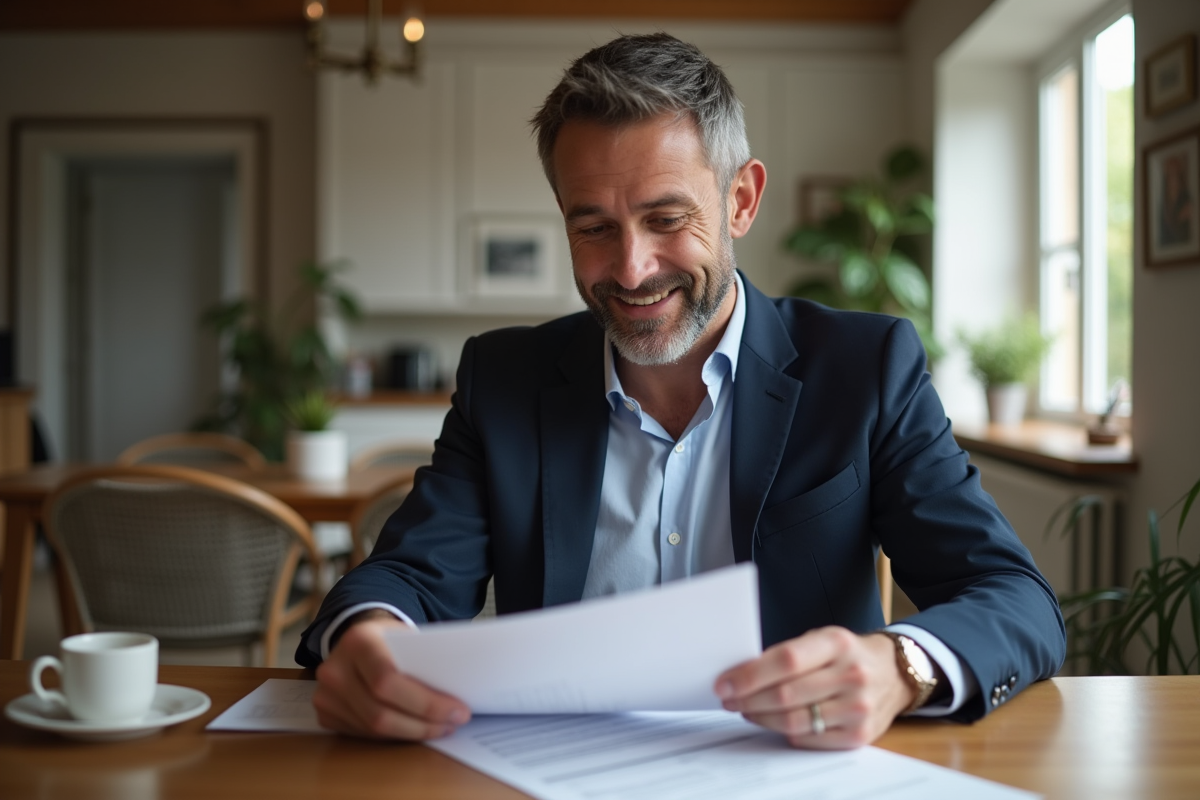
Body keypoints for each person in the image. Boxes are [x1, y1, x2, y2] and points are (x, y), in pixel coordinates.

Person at [297, 32, 1065, 749]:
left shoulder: (863, 368)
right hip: (551, 771)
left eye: (667, 218)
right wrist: (368, 634)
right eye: (593, 227)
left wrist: (900, 668)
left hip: (792, 772)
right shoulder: (504, 379)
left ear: (741, 200)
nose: (630, 270)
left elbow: (1014, 597)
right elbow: (408, 574)